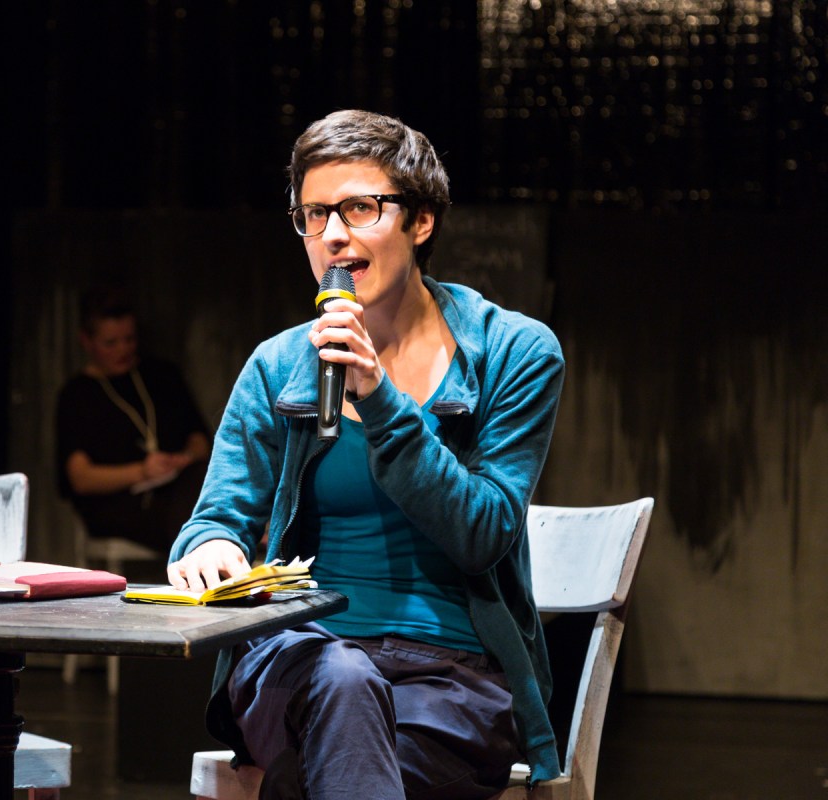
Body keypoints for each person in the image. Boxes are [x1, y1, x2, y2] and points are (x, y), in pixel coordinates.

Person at [167, 109, 565, 799]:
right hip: (298, 656)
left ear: (421, 220)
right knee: (342, 677)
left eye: (359, 208)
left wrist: (379, 399)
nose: (332, 235)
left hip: (451, 678)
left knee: (315, 771)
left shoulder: (514, 352)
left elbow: (483, 534)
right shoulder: (278, 366)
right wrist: (210, 545)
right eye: (313, 214)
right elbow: (216, 517)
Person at [54, 286, 210, 553]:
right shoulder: (77, 394)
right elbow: (80, 477)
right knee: (190, 512)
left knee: (203, 483)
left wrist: (182, 458)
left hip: (178, 487)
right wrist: (142, 472)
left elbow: (199, 440)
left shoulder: (162, 375)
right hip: (118, 503)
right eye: (110, 343)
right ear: (87, 341)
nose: (123, 349)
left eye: (129, 339)